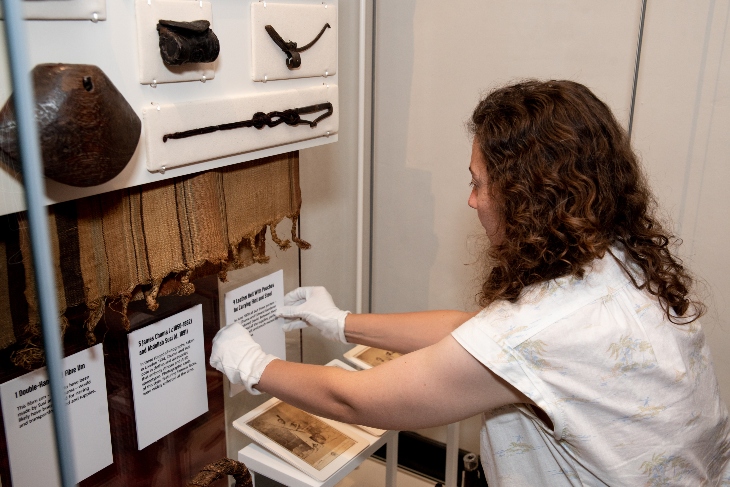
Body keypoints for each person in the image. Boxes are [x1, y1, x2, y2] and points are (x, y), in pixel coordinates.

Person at [210, 80, 730, 485]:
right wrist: (342, 323)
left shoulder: (544, 327)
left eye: (478, 183)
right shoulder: (613, 256)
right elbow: (477, 332)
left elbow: (358, 400)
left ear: (528, 199)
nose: (472, 200)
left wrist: (254, 366)